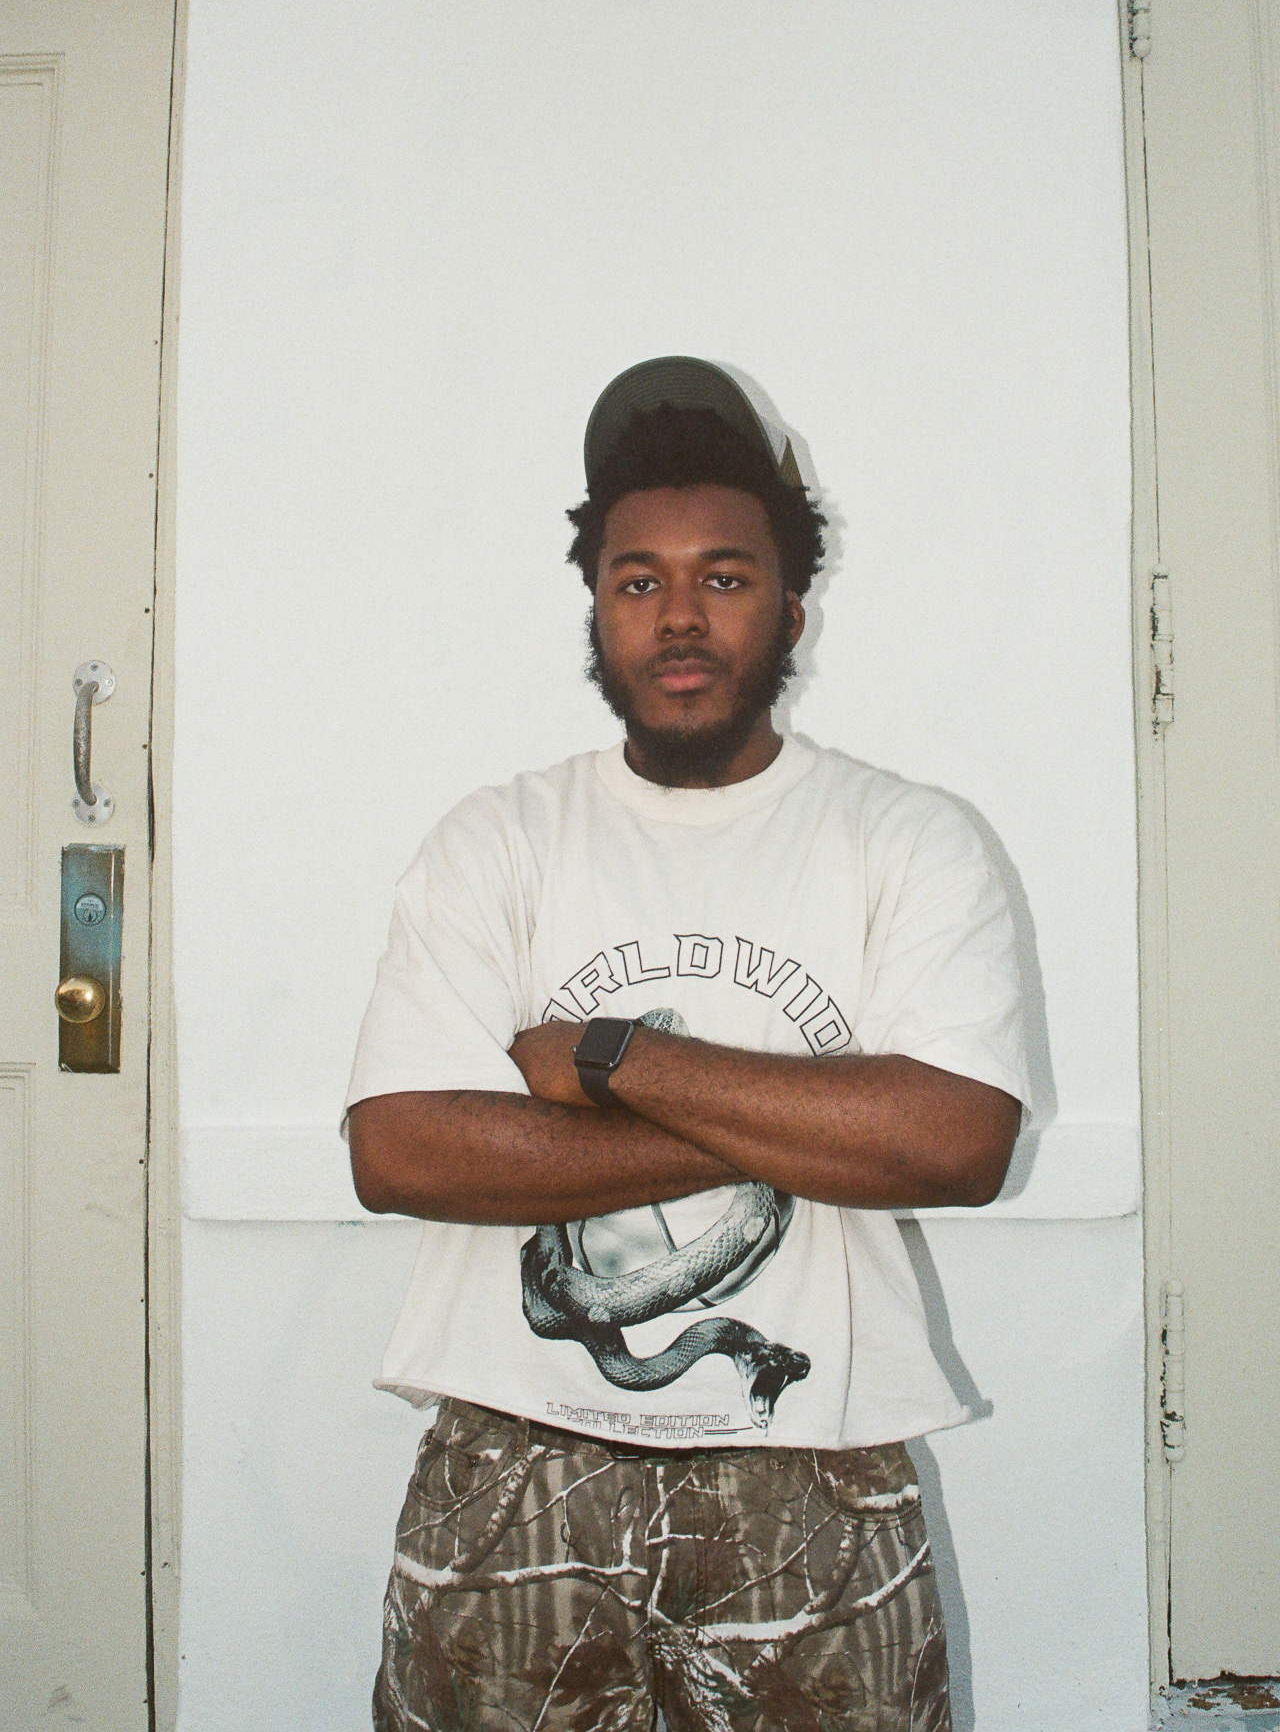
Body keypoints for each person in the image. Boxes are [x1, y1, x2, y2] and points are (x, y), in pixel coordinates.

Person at [345, 356, 1029, 1732]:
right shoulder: (498, 840)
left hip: (816, 1460)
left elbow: (956, 1143)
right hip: (512, 1455)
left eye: (723, 576)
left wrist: (613, 1062)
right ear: (596, 608)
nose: (678, 616)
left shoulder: (909, 840)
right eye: (636, 579)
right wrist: (806, 1127)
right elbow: (402, 1150)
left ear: (791, 605)